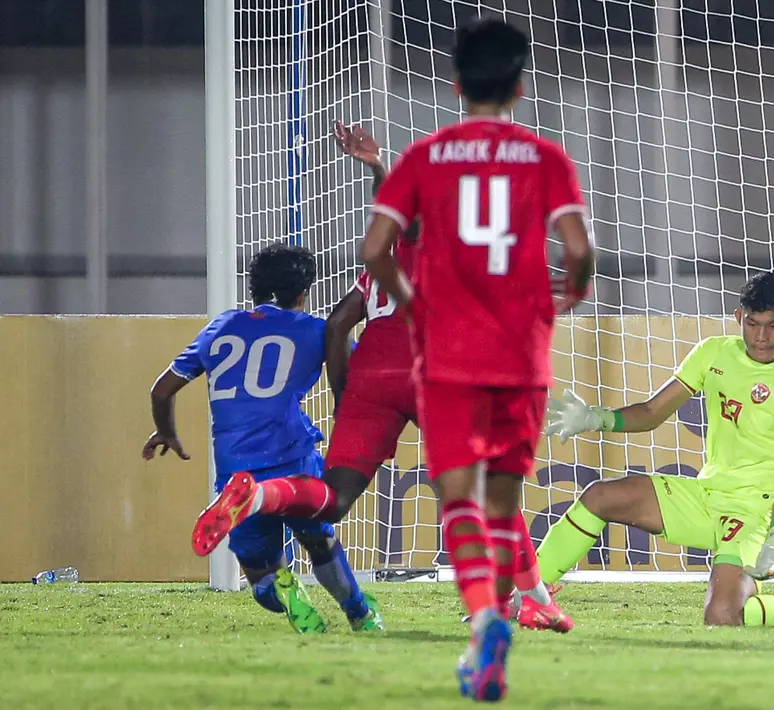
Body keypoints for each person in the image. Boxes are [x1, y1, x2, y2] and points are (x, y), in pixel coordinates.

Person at [192, 119, 575, 638]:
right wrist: (376, 168)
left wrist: (346, 395)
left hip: (373, 369)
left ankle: (258, 496)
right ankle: (531, 600)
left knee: (334, 496)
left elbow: (338, 323)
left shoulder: (377, 271)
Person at [363, 17, 593, 702]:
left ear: (456, 83)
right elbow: (578, 250)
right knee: (501, 503)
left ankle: (485, 623)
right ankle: (493, 625)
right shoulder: (546, 158)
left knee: (455, 496)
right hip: (521, 355)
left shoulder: (425, 157)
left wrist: (412, 307)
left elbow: (376, 249)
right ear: (519, 87)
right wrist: (570, 296)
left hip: (449, 353)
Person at [535, 272, 774, 629]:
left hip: (749, 512)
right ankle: (530, 597)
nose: (761, 337)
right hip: (705, 495)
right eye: (753, 323)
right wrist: (596, 418)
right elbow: (652, 412)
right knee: (599, 496)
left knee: (722, 616)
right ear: (739, 318)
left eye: (773, 325)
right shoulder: (713, 354)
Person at [146, 243, 382, 634]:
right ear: (303, 292)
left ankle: (287, 592)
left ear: (253, 287)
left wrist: (166, 431)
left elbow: (161, 390)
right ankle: (359, 612)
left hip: (236, 470)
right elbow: (359, 372)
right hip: (293, 460)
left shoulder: (220, 327)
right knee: (319, 540)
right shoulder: (316, 331)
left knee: (259, 575)